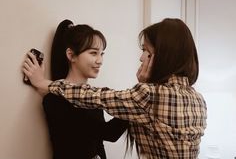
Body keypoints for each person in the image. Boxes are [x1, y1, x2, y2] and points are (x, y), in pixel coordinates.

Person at [23, 18, 207, 159]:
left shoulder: (150, 95)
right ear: (71, 55)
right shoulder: (198, 99)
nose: (141, 58)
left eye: (147, 52)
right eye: (93, 53)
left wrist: (45, 83)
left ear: (163, 57)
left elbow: (99, 106)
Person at [34, 19, 128, 159]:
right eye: (93, 53)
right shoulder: (55, 99)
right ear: (71, 55)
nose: (100, 60)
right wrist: (136, 102)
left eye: (101, 54)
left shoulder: (91, 95)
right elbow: (109, 133)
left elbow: (98, 144)